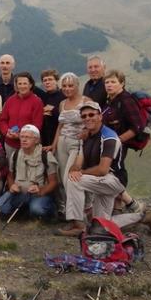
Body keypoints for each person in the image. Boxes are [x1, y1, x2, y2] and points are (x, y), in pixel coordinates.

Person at [57, 102, 151, 236]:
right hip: (101, 181)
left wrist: (79, 172)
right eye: (84, 116)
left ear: (100, 116)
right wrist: (74, 169)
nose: (87, 118)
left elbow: (103, 170)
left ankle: (78, 224)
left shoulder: (109, 137)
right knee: (99, 225)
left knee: (74, 180)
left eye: (91, 114)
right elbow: (79, 161)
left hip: (113, 180)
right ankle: (146, 217)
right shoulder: (86, 137)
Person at [0, 125, 58, 220]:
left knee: (37, 209)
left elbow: (54, 182)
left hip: (39, 194)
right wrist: (12, 186)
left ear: (36, 140)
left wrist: (41, 190)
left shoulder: (46, 155)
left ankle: (51, 209)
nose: (24, 140)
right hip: (19, 193)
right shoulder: (15, 154)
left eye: (27, 137)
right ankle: (25, 210)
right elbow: (10, 176)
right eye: (22, 137)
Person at [48, 72, 89, 211]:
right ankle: (68, 209)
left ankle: (81, 209)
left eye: (70, 86)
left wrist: (86, 131)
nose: (67, 88)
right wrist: (54, 145)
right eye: (64, 86)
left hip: (76, 143)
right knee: (61, 177)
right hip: (62, 142)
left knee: (70, 177)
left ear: (77, 85)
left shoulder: (86, 101)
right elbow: (60, 125)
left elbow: (94, 120)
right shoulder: (62, 103)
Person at [101, 69, 145, 187]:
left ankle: (121, 196)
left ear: (122, 83)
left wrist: (118, 140)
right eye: (107, 82)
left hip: (118, 144)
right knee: (110, 171)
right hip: (108, 143)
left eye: (113, 82)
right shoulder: (110, 101)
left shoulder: (126, 100)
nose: (109, 85)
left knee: (117, 170)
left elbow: (138, 126)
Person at [0, 72, 44, 159]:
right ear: (16, 86)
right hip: (10, 143)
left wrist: (21, 136)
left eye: (25, 83)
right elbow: (2, 120)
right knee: (11, 166)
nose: (22, 86)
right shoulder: (10, 100)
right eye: (19, 84)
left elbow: (37, 125)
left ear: (30, 85)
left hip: (29, 145)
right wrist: (6, 132)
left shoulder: (37, 102)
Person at [38, 69, 64, 148]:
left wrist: (53, 110)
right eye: (45, 80)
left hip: (60, 136)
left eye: (50, 79)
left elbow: (66, 117)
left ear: (57, 81)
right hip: (45, 138)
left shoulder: (63, 96)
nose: (47, 82)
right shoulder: (43, 97)